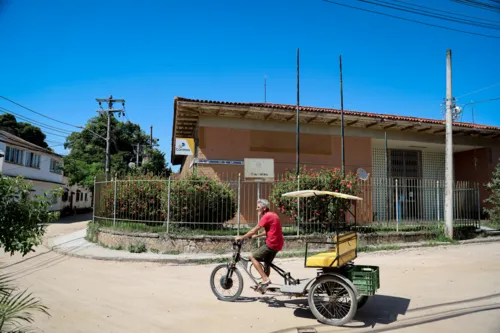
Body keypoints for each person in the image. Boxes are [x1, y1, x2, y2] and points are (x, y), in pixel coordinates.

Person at [235, 198, 284, 292]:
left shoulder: (266, 217)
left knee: (252, 257)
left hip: (271, 244)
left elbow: (254, 229)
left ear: (264, 208)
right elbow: (269, 231)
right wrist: (256, 236)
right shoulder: (273, 215)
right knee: (267, 263)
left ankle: (265, 279)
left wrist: (241, 237)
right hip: (278, 244)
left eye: (258, 207)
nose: (256, 209)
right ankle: (264, 284)